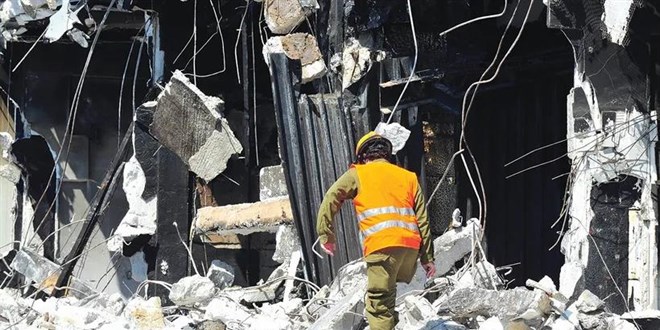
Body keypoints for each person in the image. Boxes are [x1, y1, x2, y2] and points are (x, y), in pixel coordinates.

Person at [316, 131, 436, 330]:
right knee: (388, 298)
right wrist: (427, 258)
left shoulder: (358, 173)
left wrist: (326, 234)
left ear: (363, 156)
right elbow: (422, 219)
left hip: (382, 248)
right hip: (409, 250)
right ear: (387, 154)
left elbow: (331, 197)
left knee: (378, 306)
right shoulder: (408, 177)